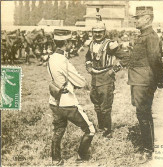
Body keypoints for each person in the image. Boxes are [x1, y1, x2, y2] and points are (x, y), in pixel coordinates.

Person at [48, 29, 95, 165]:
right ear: (66, 42)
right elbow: (81, 82)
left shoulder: (51, 58)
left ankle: (56, 159)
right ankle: (82, 156)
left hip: (54, 101)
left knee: (59, 130)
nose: (72, 45)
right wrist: (78, 81)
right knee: (90, 129)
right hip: (67, 103)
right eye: (71, 42)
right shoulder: (63, 60)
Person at [125, 6, 163, 163]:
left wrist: (159, 80)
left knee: (143, 114)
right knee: (143, 113)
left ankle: (147, 150)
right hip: (138, 80)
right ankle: (148, 147)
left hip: (144, 81)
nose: (135, 20)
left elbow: (156, 60)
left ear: (148, 18)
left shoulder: (151, 37)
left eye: (138, 17)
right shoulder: (143, 35)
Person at [84, 16, 123, 138]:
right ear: (92, 33)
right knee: (97, 105)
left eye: (100, 32)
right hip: (94, 77)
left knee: (105, 106)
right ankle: (101, 128)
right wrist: (89, 66)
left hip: (106, 77)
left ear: (104, 32)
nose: (97, 35)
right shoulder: (90, 44)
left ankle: (107, 131)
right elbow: (88, 58)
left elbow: (125, 57)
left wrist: (114, 69)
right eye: (95, 32)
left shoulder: (110, 45)